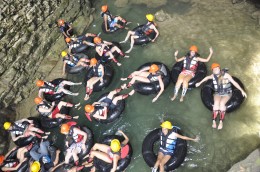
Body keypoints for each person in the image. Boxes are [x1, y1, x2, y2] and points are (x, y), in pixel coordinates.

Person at [195, 63, 247, 129]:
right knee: (216, 103)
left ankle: (220, 122)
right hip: (218, 93)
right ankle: (213, 121)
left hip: (227, 93)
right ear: (212, 70)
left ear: (219, 68)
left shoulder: (226, 75)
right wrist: (199, 83)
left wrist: (242, 90)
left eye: (217, 68)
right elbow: (206, 78)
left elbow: (234, 83)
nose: (216, 69)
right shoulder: (213, 76)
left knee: (222, 103)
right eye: (214, 69)